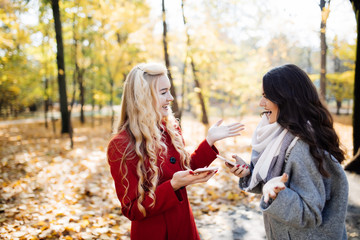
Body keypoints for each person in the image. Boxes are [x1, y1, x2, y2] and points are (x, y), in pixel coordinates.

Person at [107, 62, 244, 240]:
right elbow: (132, 209)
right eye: (163, 92)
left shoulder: (170, 128)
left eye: (169, 90)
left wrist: (209, 140)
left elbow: (185, 169)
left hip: (184, 227)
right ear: (143, 98)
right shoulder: (121, 145)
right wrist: (172, 186)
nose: (170, 97)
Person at [226, 64, 348, 239]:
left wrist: (277, 194)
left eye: (267, 96)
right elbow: (279, 183)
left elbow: (310, 214)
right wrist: (248, 173)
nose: (261, 103)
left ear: (286, 99)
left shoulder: (302, 148)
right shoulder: (283, 138)